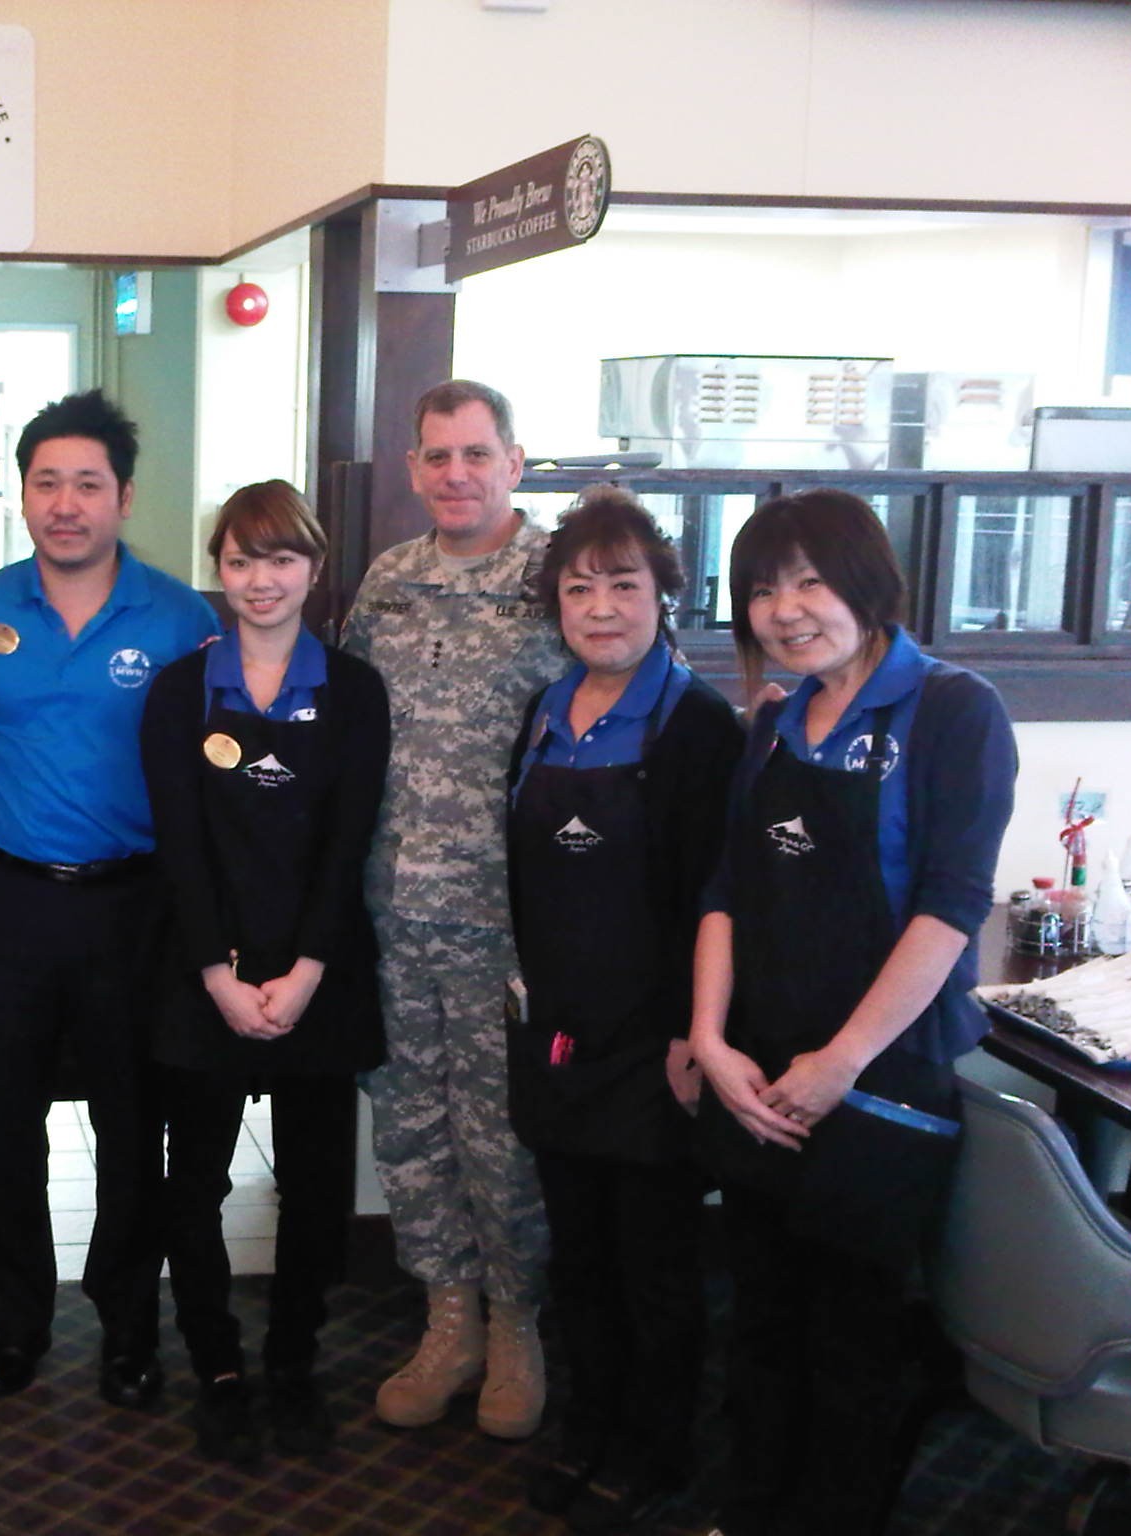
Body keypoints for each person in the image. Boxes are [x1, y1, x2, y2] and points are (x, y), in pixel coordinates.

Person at [688, 489, 1016, 1536]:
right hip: (759, 1070)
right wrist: (709, 1039)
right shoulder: (774, 721)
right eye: (760, 590)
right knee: (759, 1317)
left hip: (880, 1079)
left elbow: (951, 908)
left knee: (852, 1337)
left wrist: (841, 1061)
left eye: (809, 581)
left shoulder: (954, 710)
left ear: (868, 583)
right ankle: (749, 1508)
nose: (784, 610)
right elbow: (726, 889)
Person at [0, 389, 219, 1408]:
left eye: (88, 485)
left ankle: (127, 1329)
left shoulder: (181, 618)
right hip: (8, 903)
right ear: (21, 493)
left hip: (132, 908)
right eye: (46, 482)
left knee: (130, 1129)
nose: (66, 504)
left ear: (124, 497)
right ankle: (15, 1325)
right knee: (3, 1130)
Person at [502, 489, 742, 1530]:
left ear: (663, 595)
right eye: (578, 587)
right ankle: (587, 1423)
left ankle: (657, 1446)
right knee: (578, 1255)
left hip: (655, 1044)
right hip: (558, 1035)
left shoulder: (696, 726)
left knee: (655, 1266)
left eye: (623, 584)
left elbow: (714, 899)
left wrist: (695, 1034)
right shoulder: (544, 713)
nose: (600, 607)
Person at [140, 481, 390, 1463]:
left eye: (281, 559)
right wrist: (216, 973)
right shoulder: (179, 691)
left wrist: (307, 969)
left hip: (318, 974)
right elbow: (180, 846)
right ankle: (216, 1367)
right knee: (193, 1184)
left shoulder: (354, 691)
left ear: (313, 571)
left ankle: (293, 1363)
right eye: (241, 560)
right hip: (205, 971)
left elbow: (347, 842)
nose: (260, 579)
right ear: (219, 570)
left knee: (316, 1191)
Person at [339, 378, 561, 1438]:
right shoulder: (388, 580)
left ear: (513, 462)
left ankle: (517, 1325)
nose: (456, 474)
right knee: (410, 1128)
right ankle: (446, 1322)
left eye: (476, 454)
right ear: (413, 468)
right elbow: (340, 721)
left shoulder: (559, 578)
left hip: (507, 923)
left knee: (502, 1136)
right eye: (437, 456)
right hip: (393, 913)